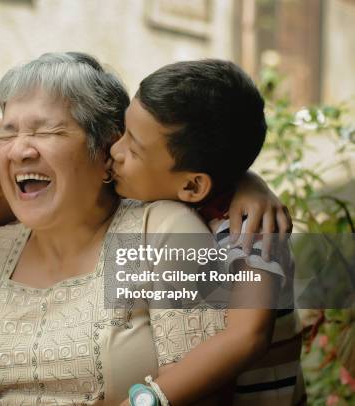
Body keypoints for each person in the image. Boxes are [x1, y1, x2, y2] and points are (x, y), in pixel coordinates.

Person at [0, 55, 290, 404]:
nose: (3, 155)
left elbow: (242, 342)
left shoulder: (174, 229)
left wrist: (246, 181)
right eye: (10, 133)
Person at [110, 59, 304, 405]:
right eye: (123, 131)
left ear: (194, 185)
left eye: (133, 148)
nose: (114, 150)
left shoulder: (250, 229)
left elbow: (247, 336)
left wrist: (144, 401)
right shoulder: (173, 188)